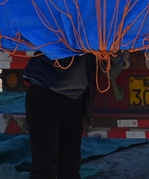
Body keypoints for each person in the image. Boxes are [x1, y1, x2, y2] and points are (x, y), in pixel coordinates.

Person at [24, 51, 97, 179]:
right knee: (44, 169)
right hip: (44, 94)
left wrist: (115, 54)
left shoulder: (99, 34)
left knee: (70, 168)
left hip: (74, 100)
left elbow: (113, 68)